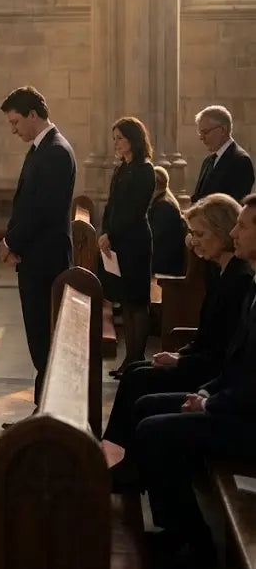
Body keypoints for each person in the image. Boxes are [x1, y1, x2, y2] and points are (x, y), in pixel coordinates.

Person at [126, 195, 256, 569]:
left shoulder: (245, 281)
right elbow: (236, 362)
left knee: (154, 430)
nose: (235, 232)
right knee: (146, 407)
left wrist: (210, 402)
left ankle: (194, 543)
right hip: (234, 402)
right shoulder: (249, 283)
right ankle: (173, 525)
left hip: (249, 421)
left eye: (243, 226)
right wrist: (207, 392)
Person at [104, 193, 253, 453]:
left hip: (218, 381)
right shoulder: (221, 273)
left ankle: (122, 463)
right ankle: (116, 456)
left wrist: (188, 370)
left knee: (140, 388)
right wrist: (180, 355)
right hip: (215, 377)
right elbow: (209, 337)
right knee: (134, 373)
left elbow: (224, 354)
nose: (194, 242)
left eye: (200, 234)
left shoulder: (240, 281)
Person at [0, 86, 76, 414]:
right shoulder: (41, 148)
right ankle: (42, 408)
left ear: (33, 114)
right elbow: (26, 204)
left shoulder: (55, 151)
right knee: (38, 339)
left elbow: (43, 211)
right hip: (35, 257)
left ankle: (48, 412)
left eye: (16, 121)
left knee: (45, 339)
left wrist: (10, 243)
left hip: (45, 261)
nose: (13, 129)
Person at [98, 117, 156, 377]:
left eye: (120, 138)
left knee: (137, 301)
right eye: (115, 139)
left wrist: (112, 233)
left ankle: (136, 358)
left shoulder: (145, 170)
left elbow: (135, 210)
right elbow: (112, 205)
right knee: (126, 301)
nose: (117, 143)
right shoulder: (121, 168)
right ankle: (129, 359)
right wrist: (105, 231)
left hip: (135, 241)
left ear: (133, 139)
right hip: (119, 240)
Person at [191, 105, 254, 203]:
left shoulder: (241, 161)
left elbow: (234, 206)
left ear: (223, 130)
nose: (201, 138)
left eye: (205, 132)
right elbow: (197, 198)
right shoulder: (208, 161)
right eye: (200, 133)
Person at [148, 166, 187, 277]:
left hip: (165, 264)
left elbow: (153, 237)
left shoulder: (165, 207)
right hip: (160, 257)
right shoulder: (161, 202)